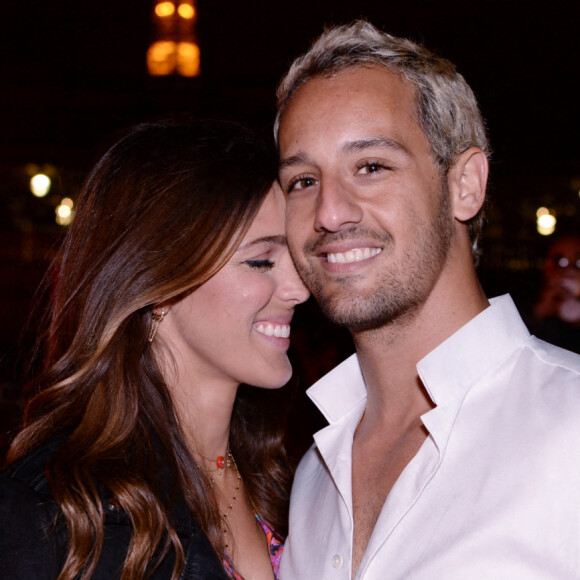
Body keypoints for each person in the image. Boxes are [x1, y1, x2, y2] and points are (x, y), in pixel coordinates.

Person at [274, 20, 580, 579]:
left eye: (371, 166)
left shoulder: (571, 429)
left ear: (465, 184)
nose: (329, 213)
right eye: (302, 181)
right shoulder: (316, 476)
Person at [0, 118, 309, 580]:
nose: (299, 289)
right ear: (160, 281)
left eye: (297, 258)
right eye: (261, 260)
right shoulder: (61, 512)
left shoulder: (288, 479)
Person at [529, 232, 580, 353]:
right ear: (547, 268)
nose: (569, 270)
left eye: (578, 263)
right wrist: (539, 314)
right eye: (561, 262)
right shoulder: (528, 305)